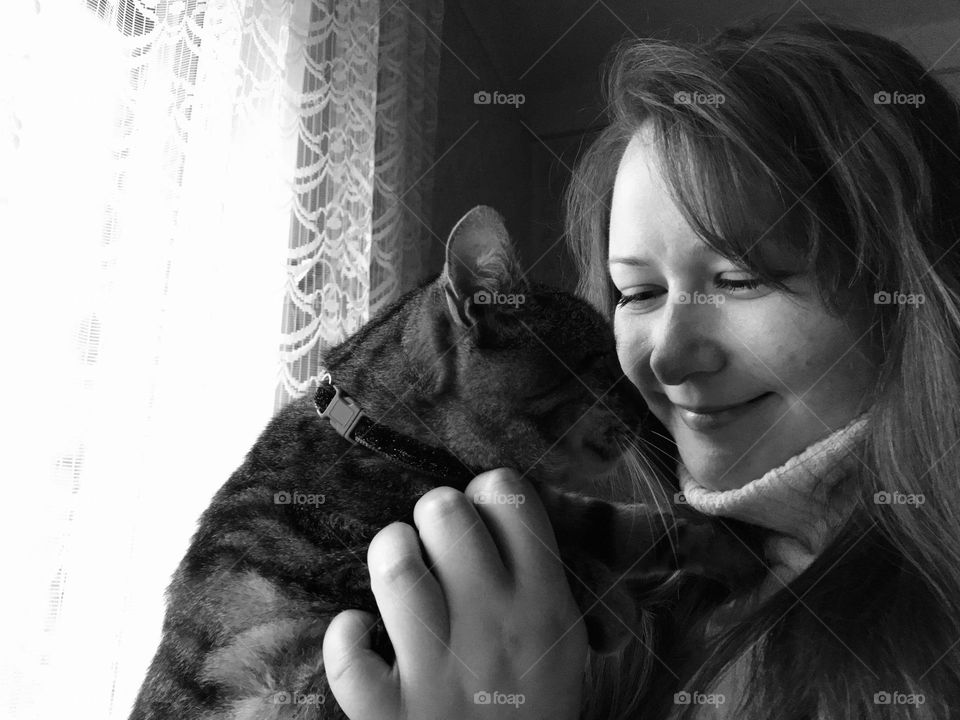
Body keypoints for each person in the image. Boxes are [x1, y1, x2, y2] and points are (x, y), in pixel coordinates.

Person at [322, 18, 960, 720]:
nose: (664, 356)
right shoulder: (606, 602)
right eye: (637, 293)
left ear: (909, 289)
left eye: (742, 278)